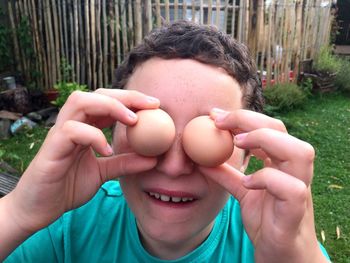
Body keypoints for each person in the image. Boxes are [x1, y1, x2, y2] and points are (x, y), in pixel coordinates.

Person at [1, 21, 330, 262]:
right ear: (113, 134)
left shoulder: (279, 242)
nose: (175, 167)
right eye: (146, 126)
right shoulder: (68, 227)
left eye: (214, 134)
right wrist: (18, 213)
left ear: (246, 157)